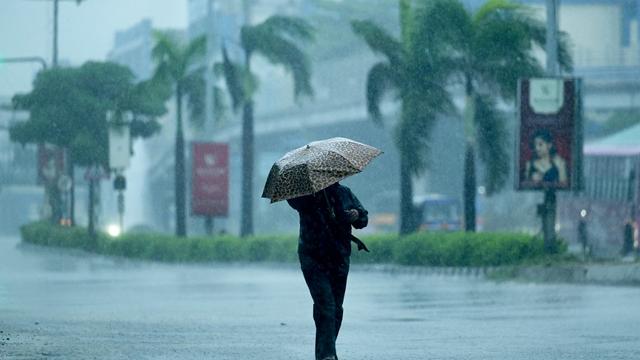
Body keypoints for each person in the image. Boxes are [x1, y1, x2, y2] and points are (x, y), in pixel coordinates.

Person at [287, 182, 368, 360]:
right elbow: (293, 202)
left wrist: (356, 215)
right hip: (313, 258)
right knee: (326, 304)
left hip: (339, 258)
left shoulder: (344, 192)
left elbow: (363, 219)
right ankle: (327, 355)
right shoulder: (305, 195)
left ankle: (325, 352)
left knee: (336, 309)